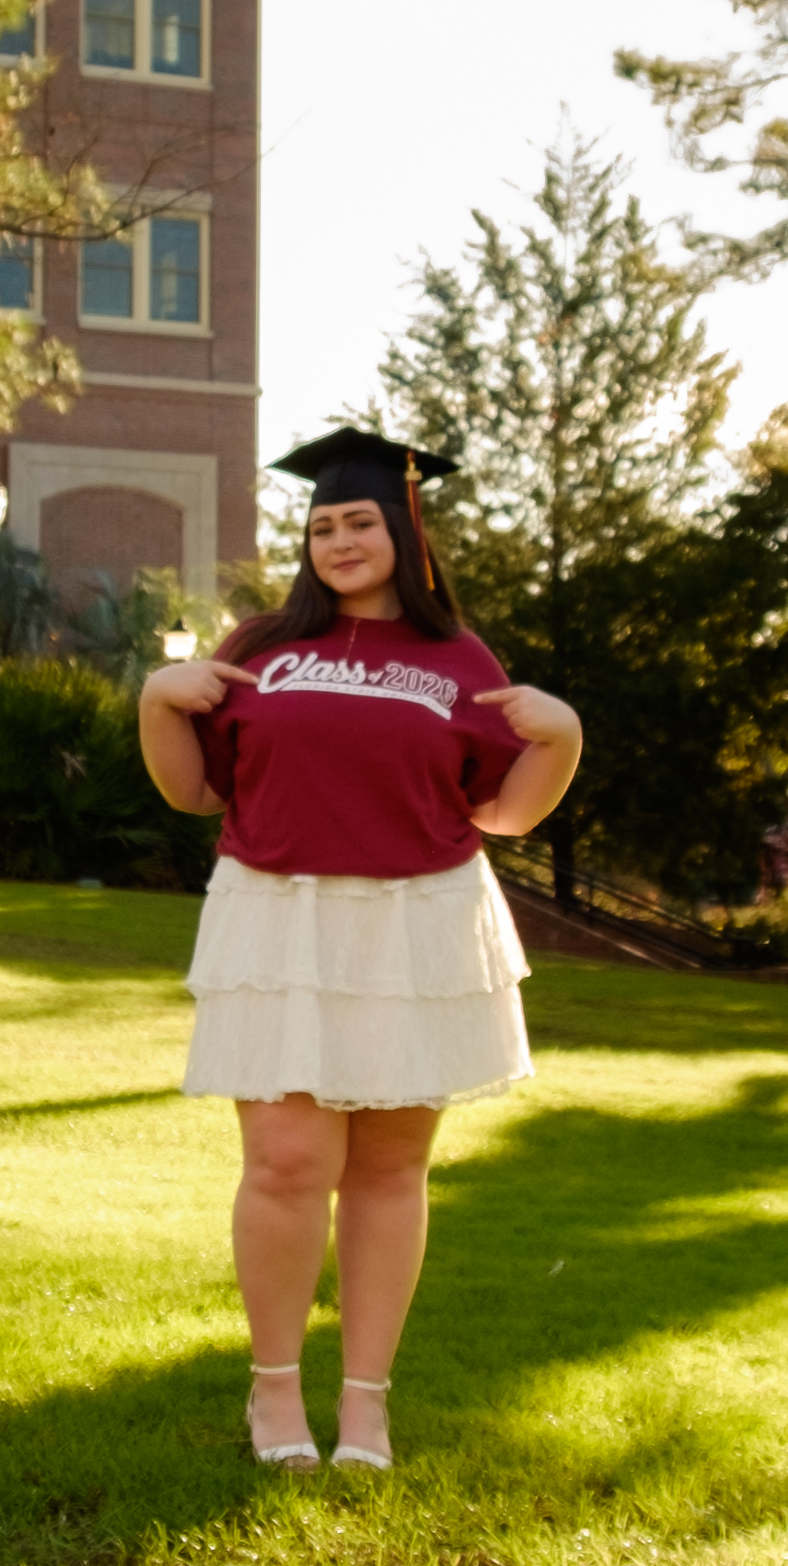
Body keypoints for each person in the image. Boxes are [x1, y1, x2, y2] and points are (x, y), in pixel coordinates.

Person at [137, 427, 583, 1474]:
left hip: (415, 921)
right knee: (286, 1162)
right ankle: (274, 1390)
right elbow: (191, 789)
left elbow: (506, 813)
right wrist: (157, 701)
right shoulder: (261, 646)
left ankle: (367, 1404)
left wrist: (562, 735)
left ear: (404, 530)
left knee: (388, 1169)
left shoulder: (458, 659)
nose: (338, 542)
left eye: (359, 522)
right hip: (277, 914)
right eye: (322, 526)